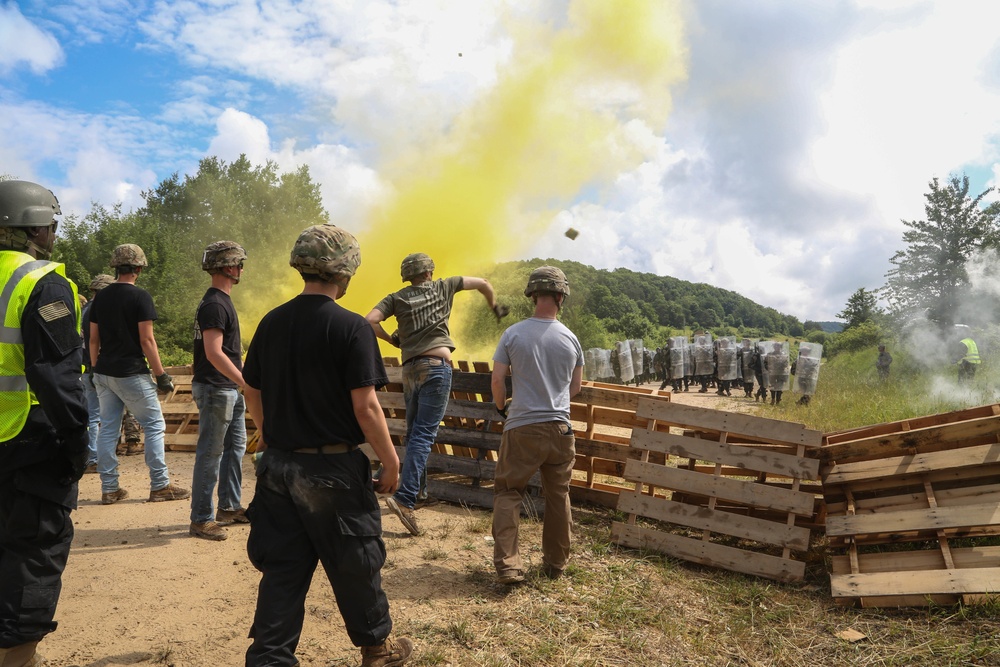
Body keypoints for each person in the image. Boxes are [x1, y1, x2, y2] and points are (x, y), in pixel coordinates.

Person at [242, 224, 413, 667]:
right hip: (333, 471)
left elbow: (251, 389)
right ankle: (378, 650)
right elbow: (366, 407)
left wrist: (272, 437)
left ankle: (269, 658)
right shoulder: (352, 327)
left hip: (278, 468)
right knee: (356, 563)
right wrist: (391, 462)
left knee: (282, 569)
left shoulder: (272, 322)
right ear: (346, 270)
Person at [0, 180, 89, 666]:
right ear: (33, 224)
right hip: (29, 443)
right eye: (51, 221)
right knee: (32, 555)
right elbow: (54, 375)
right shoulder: (41, 281)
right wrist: (77, 443)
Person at [366, 253, 505, 536]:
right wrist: (495, 307)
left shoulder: (397, 297)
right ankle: (405, 499)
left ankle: (420, 492)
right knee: (423, 436)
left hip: (410, 369)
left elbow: (370, 320)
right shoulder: (445, 286)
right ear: (429, 272)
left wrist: (392, 339)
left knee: (415, 431)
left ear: (407, 276)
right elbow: (483, 283)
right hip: (436, 368)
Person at [490, 266, 584, 585]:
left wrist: (504, 408)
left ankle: (508, 566)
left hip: (522, 427)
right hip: (561, 429)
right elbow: (575, 388)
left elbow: (498, 380)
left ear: (532, 295)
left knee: (508, 491)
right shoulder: (571, 339)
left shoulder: (513, 333)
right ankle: (556, 563)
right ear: (560, 296)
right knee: (558, 495)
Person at [89, 243, 189, 505]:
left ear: (117, 267)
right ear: (139, 268)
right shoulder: (140, 297)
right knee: (155, 425)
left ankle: (110, 488)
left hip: (103, 373)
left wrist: (94, 368)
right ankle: (160, 485)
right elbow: (147, 341)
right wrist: (162, 375)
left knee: (108, 429)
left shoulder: (101, 297)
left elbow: (93, 340)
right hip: (131, 373)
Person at [189, 241, 249, 541]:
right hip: (217, 388)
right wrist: (244, 381)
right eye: (239, 264)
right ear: (228, 267)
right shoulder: (215, 303)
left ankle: (228, 506)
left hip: (226, 388)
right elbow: (214, 353)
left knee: (235, 448)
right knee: (211, 454)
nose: (241, 269)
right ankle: (201, 518)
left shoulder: (220, 300)